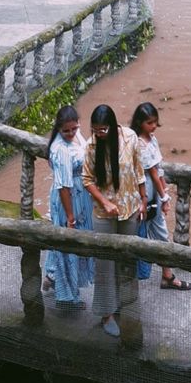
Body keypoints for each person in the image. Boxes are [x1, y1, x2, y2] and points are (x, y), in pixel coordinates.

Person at [82, 104, 146, 338]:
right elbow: (87, 179)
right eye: (95, 130)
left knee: (127, 260)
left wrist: (143, 200)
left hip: (129, 208)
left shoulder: (129, 138)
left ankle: (125, 304)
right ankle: (106, 313)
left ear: (113, 125)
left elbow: (139, 170)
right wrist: (105, 202)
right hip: (104, 213)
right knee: (105, 265)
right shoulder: (90, 146)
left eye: (103, 130)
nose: (99, 134)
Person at [130, 102, 191, 291]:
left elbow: (159, 170)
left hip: (153, 191)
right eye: (150, 123)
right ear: (140, 123)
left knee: (158, 234)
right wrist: (164, 197)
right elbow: (154, 175)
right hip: (145, 193)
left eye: (155, 122)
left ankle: (166, 274)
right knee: (142, 234)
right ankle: (144, 274)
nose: (153, 126)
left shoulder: (151, 139)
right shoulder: (140, 144)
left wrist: (164, 193)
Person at [43, 106, 94, 312]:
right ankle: (67, 298)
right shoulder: (61, 150)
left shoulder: (75, 137)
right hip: (69, 200)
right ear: (59, 129)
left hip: (80, 196)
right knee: (69, 247)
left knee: (66, 245)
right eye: (67, 131)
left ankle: (52, 276)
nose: (71, 133)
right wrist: (70, 215)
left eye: (74, 128)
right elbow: (64, 186)